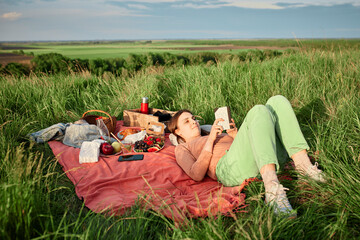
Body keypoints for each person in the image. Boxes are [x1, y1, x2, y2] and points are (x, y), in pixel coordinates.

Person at [167, 95, 325, 218]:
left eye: (193, 118)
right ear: (178, 131)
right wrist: (210, 140)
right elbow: (196, 174)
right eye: (186, 121)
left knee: (277, 101)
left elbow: (252, 146)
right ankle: (272, 190)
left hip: (257, 158)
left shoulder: (211, 132)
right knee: (258, 110)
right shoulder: (182, 147)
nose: (193, 122)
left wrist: (235, 136)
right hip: (228, 169)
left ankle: (304, 166)